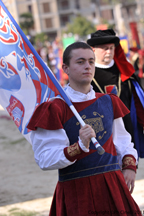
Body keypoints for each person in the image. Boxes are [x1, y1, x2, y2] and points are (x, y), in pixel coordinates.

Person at [27, 42, 141, 216]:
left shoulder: (109, 101)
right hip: (77, 192)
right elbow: (45, 159)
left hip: (113, 187)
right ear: (65, 67)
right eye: (80, 62)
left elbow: (123, 142)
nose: (87, 66)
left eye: (91, 61)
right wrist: (79, 146)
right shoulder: (55, 108)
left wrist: (129, 167)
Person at [87, 29, 144, 159]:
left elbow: (137, 104)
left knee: (128, 174)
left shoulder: (126, 75)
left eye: (111, 48)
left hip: (127, 132)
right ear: (93, 50)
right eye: (104, 48)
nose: (109, 52)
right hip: (99, 133)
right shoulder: (86, 75)